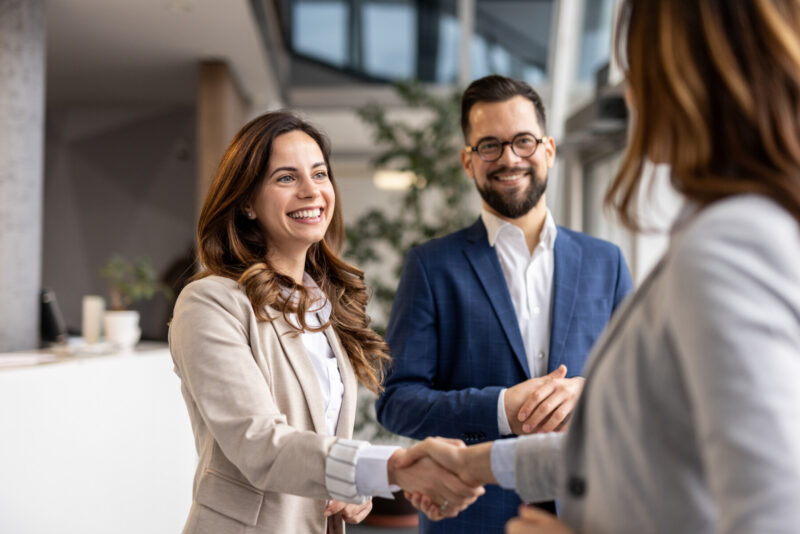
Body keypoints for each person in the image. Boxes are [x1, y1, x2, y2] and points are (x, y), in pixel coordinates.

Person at [398, 1, 800, 532]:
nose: (630, 93)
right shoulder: (715, 231)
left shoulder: (725, 245)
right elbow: (645, 439)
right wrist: (476, 463)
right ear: (469, 158)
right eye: (491, 145)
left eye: (639, 69)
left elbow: (773, 512)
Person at [169, 111, 484, 534]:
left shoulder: (323, 306)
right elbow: (260, 445)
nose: (310, 190)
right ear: (245, 202)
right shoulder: (209, 303)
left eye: (319, 174)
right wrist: (391, 467)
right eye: (286, 178)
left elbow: (319, 438)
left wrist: (355, 487)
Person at [375, 75, 633, 533]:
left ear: (549, 149)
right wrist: (501, 407)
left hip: (589, 515)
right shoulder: (431, 266)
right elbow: (397, 402)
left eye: (523, 141)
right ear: (467, 161)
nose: (509, 158)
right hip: (472, 518)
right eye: (489, 145)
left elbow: (643, 386)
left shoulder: (606, 262)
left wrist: (589, 393)